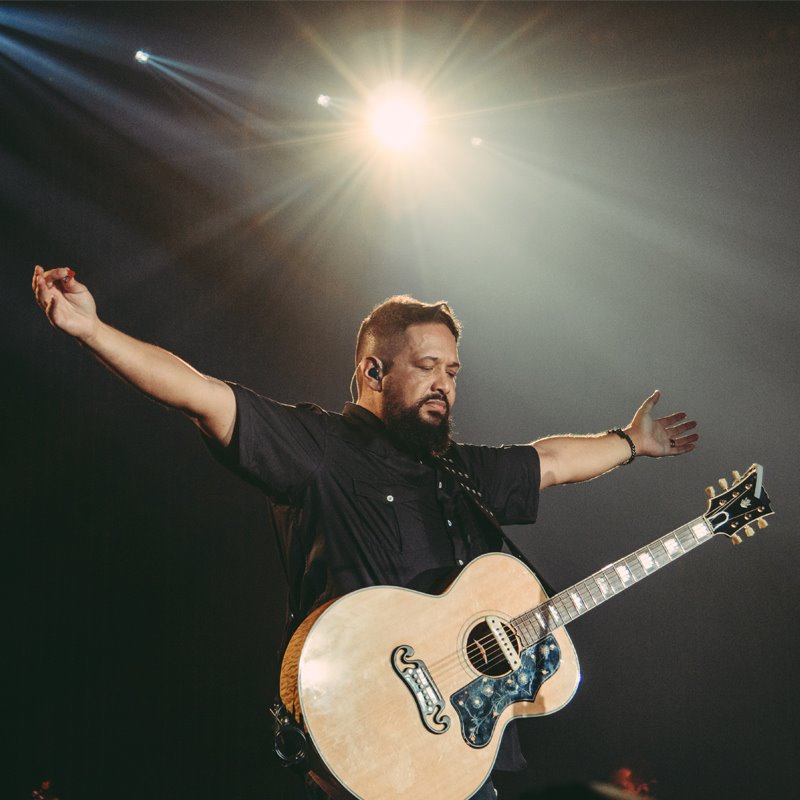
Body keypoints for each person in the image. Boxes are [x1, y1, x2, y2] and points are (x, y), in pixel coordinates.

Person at [31, 265, 698, 800]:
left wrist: (627, 443)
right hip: (370, 741)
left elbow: (548, 461)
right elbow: (202, 395)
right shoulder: (320, 449)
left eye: (454, 372)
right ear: (374, 371)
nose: (446, 384)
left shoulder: (457, 473)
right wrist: (93, 331)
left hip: (459, 757)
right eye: (428, 366)